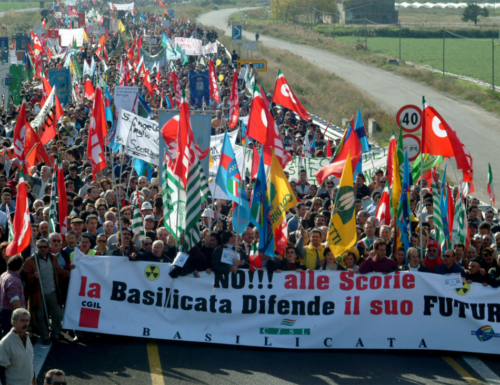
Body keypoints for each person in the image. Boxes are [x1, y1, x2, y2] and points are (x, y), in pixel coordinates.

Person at [24, 239, 71, 345]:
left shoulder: (53, 258)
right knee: (40, 316)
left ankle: (55, 334)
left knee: (57, 315)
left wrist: (71, 272)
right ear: (36, 247)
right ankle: (44, 336)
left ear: (48, 247)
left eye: (45, 247)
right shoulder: (30, 261)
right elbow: (25, 278)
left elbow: (58, 272)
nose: (43, 249)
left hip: (53, 291)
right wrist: (33, 276)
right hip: (38, 293)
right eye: (40, 247)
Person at [0, 308, 34, 385]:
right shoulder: (5, 343)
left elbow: (30, 363)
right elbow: (1, 369)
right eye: (22, 321)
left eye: (27, 321)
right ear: (14, 322)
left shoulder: (27, 337)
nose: (25, 324)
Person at [0, 256, 25, 337]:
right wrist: (22, 316)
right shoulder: (13, 280)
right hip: (11, 314)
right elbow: (14, 299)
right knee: (10, 338)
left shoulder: (4, 274)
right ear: (20, 266)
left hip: (4, 311)